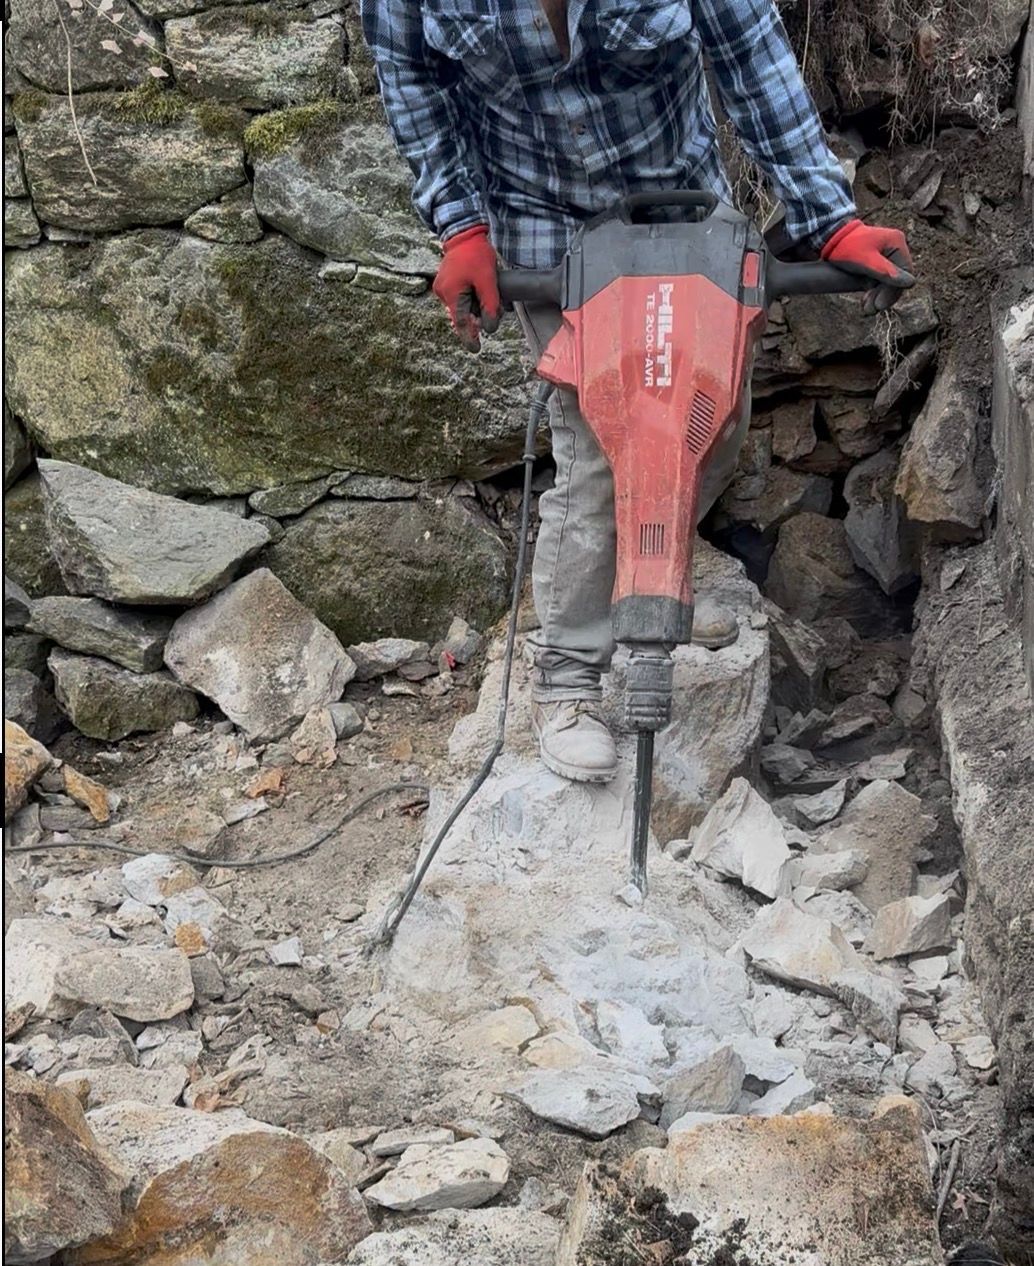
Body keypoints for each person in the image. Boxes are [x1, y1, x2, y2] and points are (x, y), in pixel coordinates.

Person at [361, 0, 914, 784]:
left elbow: (752, 58)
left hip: (680, 213)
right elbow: (410, 81)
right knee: (597, 455)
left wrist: (829, 222)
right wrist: (461, 229)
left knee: (708, 430)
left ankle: (649, 597)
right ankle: (572, 677)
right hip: (547, 232)